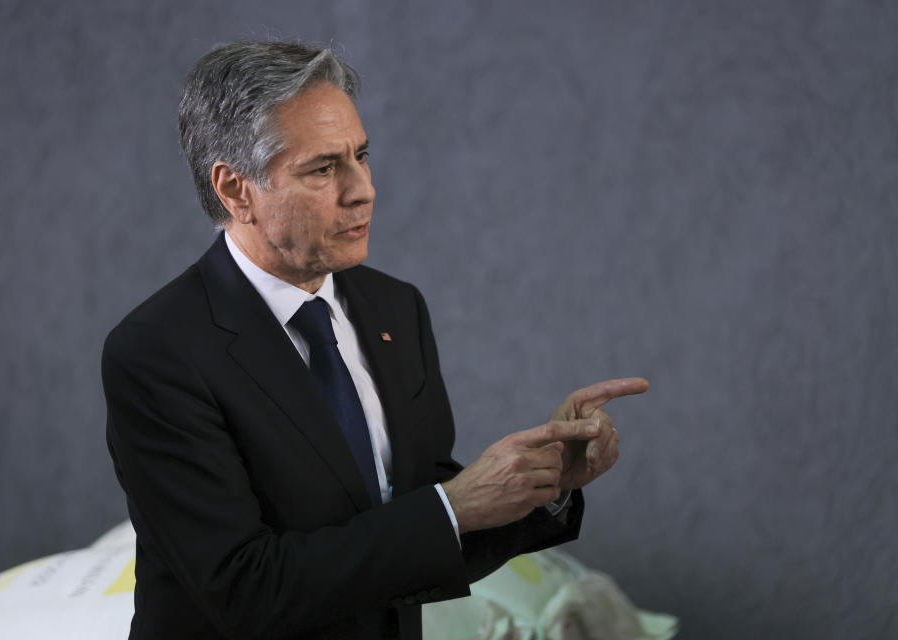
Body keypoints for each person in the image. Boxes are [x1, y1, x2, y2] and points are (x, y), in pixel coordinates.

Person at [102, 41, 648, 640]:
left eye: (361, 156)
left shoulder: (395, 309)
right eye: (323, 168)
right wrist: (453, 507)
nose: (363, 189)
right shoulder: (156, 352)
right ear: (236, 191)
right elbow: (244, 589)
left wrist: (543, 485)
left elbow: (424, 538)